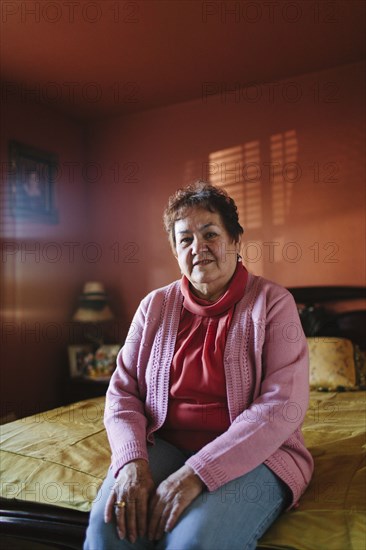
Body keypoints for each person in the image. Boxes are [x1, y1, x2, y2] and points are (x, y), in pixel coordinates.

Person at [84, 182, 313, 550]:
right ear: (175, 250)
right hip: (166, 443)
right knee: (106, 526)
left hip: (258, 453)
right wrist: (131, 462)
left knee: (194, 541)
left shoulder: (273, 303)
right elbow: (122, 394)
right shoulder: (154, 306)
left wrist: (196, 472)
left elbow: (279, 408)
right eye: (185, 239)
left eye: (210, 234)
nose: (198, 247)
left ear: (236, 240)